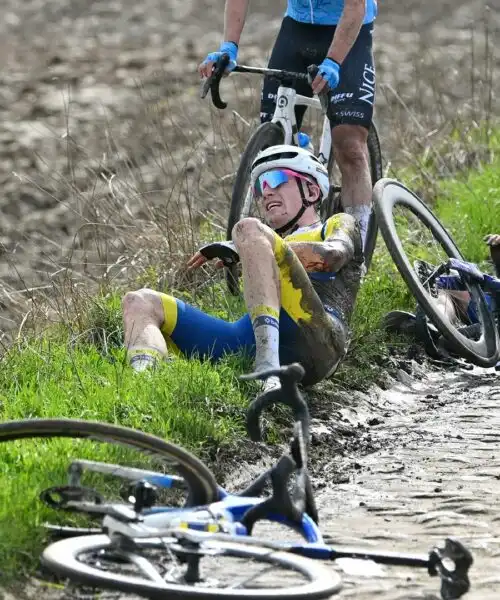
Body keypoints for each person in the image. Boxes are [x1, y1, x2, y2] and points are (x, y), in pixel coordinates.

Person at [122, 145, 364, 389]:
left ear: (311, 191)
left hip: (319, 340)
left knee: (248, 227)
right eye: (260, 187)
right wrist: (253, 245)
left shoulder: (337, 223)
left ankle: (267, 369)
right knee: (139, 301)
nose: (266, 192)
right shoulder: (259, 239)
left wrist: (255, 244)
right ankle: (140, 387)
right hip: (248, 339)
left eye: (276, 179)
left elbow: (332, 256)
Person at [198, 0, 378, 249]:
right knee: (273, 142)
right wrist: (229, 45)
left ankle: (357, 247)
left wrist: (334, 62)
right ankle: (289, 234)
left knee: (349, 145)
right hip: (297, 28)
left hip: (350, 30)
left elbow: (356, 6)